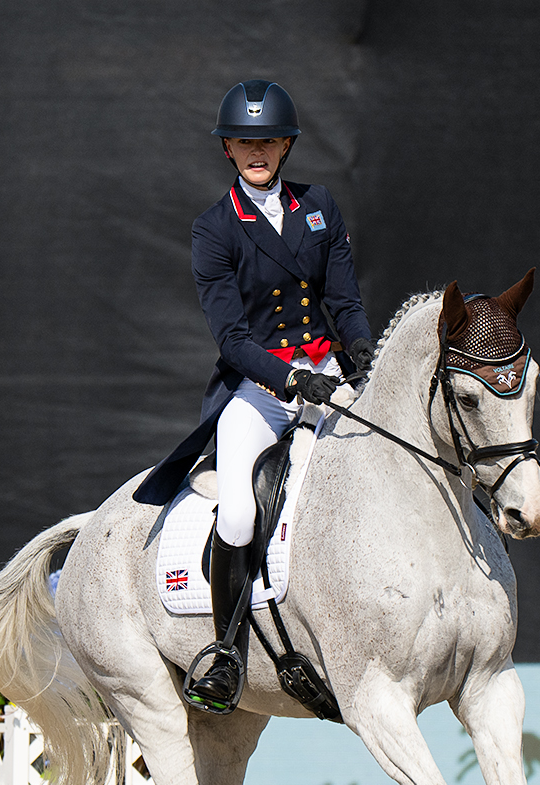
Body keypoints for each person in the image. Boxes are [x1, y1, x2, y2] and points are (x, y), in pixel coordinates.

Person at [133, 80, 375, 715]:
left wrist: (361, 353)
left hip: (331, 376)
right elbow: (232, 338)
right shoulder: (214, 229)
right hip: (262, 389)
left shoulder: (319, 206)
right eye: (245, 142)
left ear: (286, 144)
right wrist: (292, 380)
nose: (257, 151)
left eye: (268, 140)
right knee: (238, 512)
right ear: (228, 151)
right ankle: (227, 652)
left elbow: (344, 301)